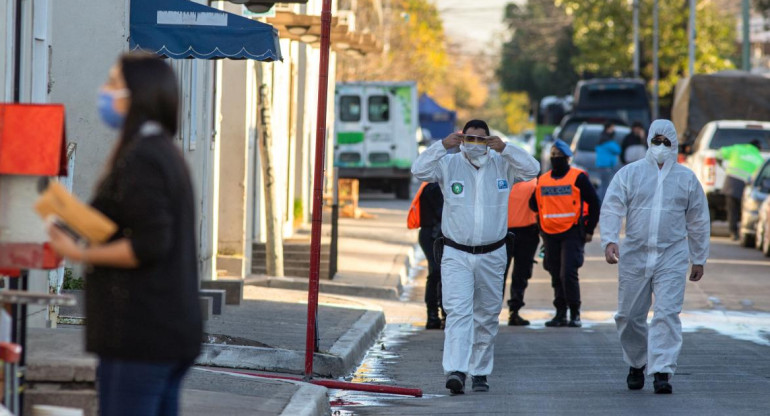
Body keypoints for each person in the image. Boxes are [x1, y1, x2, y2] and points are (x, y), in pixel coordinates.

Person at [46, 53, 202, 415]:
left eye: (114, 84)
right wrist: (51, 206)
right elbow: (110, 222)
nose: (104, 91)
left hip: (142, 336)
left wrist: (79, 253)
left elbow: (149, 244)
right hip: (165, 334)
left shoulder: (145, 157)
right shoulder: (156, 150)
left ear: (139, 95)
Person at [412, 119, 539, 395]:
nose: (475, 145)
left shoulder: (502, 164)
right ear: (462, 138)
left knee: (487, 316)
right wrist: (441, 146)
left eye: (481, 140)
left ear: (489, 141)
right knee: (458, 312)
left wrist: (506, 149)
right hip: (456, 252)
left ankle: (480, 371)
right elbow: (419, 171)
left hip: (493, 253)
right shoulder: (449, 164)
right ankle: (456, 370)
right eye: (470, 139)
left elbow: (533, 170)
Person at [600, 119, 710, 394]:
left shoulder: (686, 178)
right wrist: (610, 240)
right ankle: (637, 363)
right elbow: (612, 206)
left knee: (667, 314)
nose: (661, 147)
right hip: (635, 253)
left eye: (666, 142)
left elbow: (698, 219)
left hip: (671, 254)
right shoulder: (631, 173)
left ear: (673, 144)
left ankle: (662, 371)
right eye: (656, 141)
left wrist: (699, 256)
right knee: (628, 316)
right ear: (648, 142)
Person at [530, 139, 600, 328]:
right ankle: (560, 313)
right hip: (550, 234)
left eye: (560, 157)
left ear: (568, 159)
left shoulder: (578, 178)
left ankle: (575, 312)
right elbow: (533, 203)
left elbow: (594, 202)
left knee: (567, 273)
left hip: (572, 232)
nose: (556, 159)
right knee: (555, 273)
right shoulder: (542, 180)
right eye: (553, 156)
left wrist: (589, 229)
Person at [408, 181, 445, 329]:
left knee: (439, 273)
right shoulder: (434, 186)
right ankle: (434, 315)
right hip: (433, 234)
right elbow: (443, 212)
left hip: (434, 233)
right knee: (437, 272)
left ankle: (439, 315)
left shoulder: (434, 184)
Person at [503, 178, 539, 326]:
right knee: (507, 274)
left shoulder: (535, 183)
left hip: (524, 232)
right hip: (504, 233)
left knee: (518, 273)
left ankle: (513, 311)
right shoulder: (534, 182)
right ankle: (511, 311)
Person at [718, 139, 763, 240]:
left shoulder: (737, 149)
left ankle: (733, 232)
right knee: (744, 211)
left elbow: (719, 153)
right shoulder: (759, 158)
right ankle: (743, 232)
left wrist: (720, 164)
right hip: (745, 187)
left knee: (732, 209)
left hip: (731, 183)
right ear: (758, 148)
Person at [595, 122, 621, 201]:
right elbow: (617, 150)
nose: (614, 130)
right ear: (608, 128)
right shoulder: (608, 141)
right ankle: (602, 202)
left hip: (601, 165)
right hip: (607, 166)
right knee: (605, 186)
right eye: (612, 128)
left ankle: (599, 201)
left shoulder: (601, 139)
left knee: (603, 185)